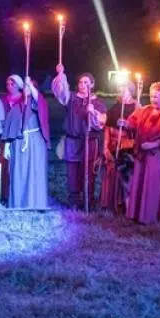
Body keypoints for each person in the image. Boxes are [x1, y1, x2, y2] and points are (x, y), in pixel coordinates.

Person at [52, 66, 108, 210]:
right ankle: (74, 202)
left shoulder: (98, 103)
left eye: (86, 82)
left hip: (89, 142)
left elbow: (101, 122)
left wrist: (93, 112)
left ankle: (88, 202)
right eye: (81, 82)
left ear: (92, 85)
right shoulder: (71, 98)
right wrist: (61, 75)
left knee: (88, 172)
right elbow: (60, 92)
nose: (82, 85)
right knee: (73, 172)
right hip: (72, 141)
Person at [125, 83, 160, 224]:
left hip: (157, 154)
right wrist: (124, 124)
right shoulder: (145, 110)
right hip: (141, 153)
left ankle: (150, 217)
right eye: (151, 96)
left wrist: (154, 144)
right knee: (139, 182)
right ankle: (136, 214)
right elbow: (132, 122)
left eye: (156, 96)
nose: (152, 99)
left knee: (152, 184)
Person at [4, 76, 50, 210]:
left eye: (30, 87)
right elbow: (9, 129)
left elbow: (38, 100)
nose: (27, 89)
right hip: (18, 144)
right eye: (25, 87)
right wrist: (7, 147)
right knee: (18, 173)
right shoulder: (16, 107)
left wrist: (31, 84)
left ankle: (34, 203)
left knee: (34, 173)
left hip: (35, 143)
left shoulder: (38, 104)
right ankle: (18, 203)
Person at [101, 83, 138, 214]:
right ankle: (112, 205)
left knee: (127, 178)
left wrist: (128, 125)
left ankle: (128, 208)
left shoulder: (137, 107)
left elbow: (139, 129)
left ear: (131, 92)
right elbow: (107, 127)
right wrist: (105, 147)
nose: (120, 93)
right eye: (119, 90)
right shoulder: (115, 108)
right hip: (113, 146)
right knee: (112, 175)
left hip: (127, 148)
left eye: (124, 90)